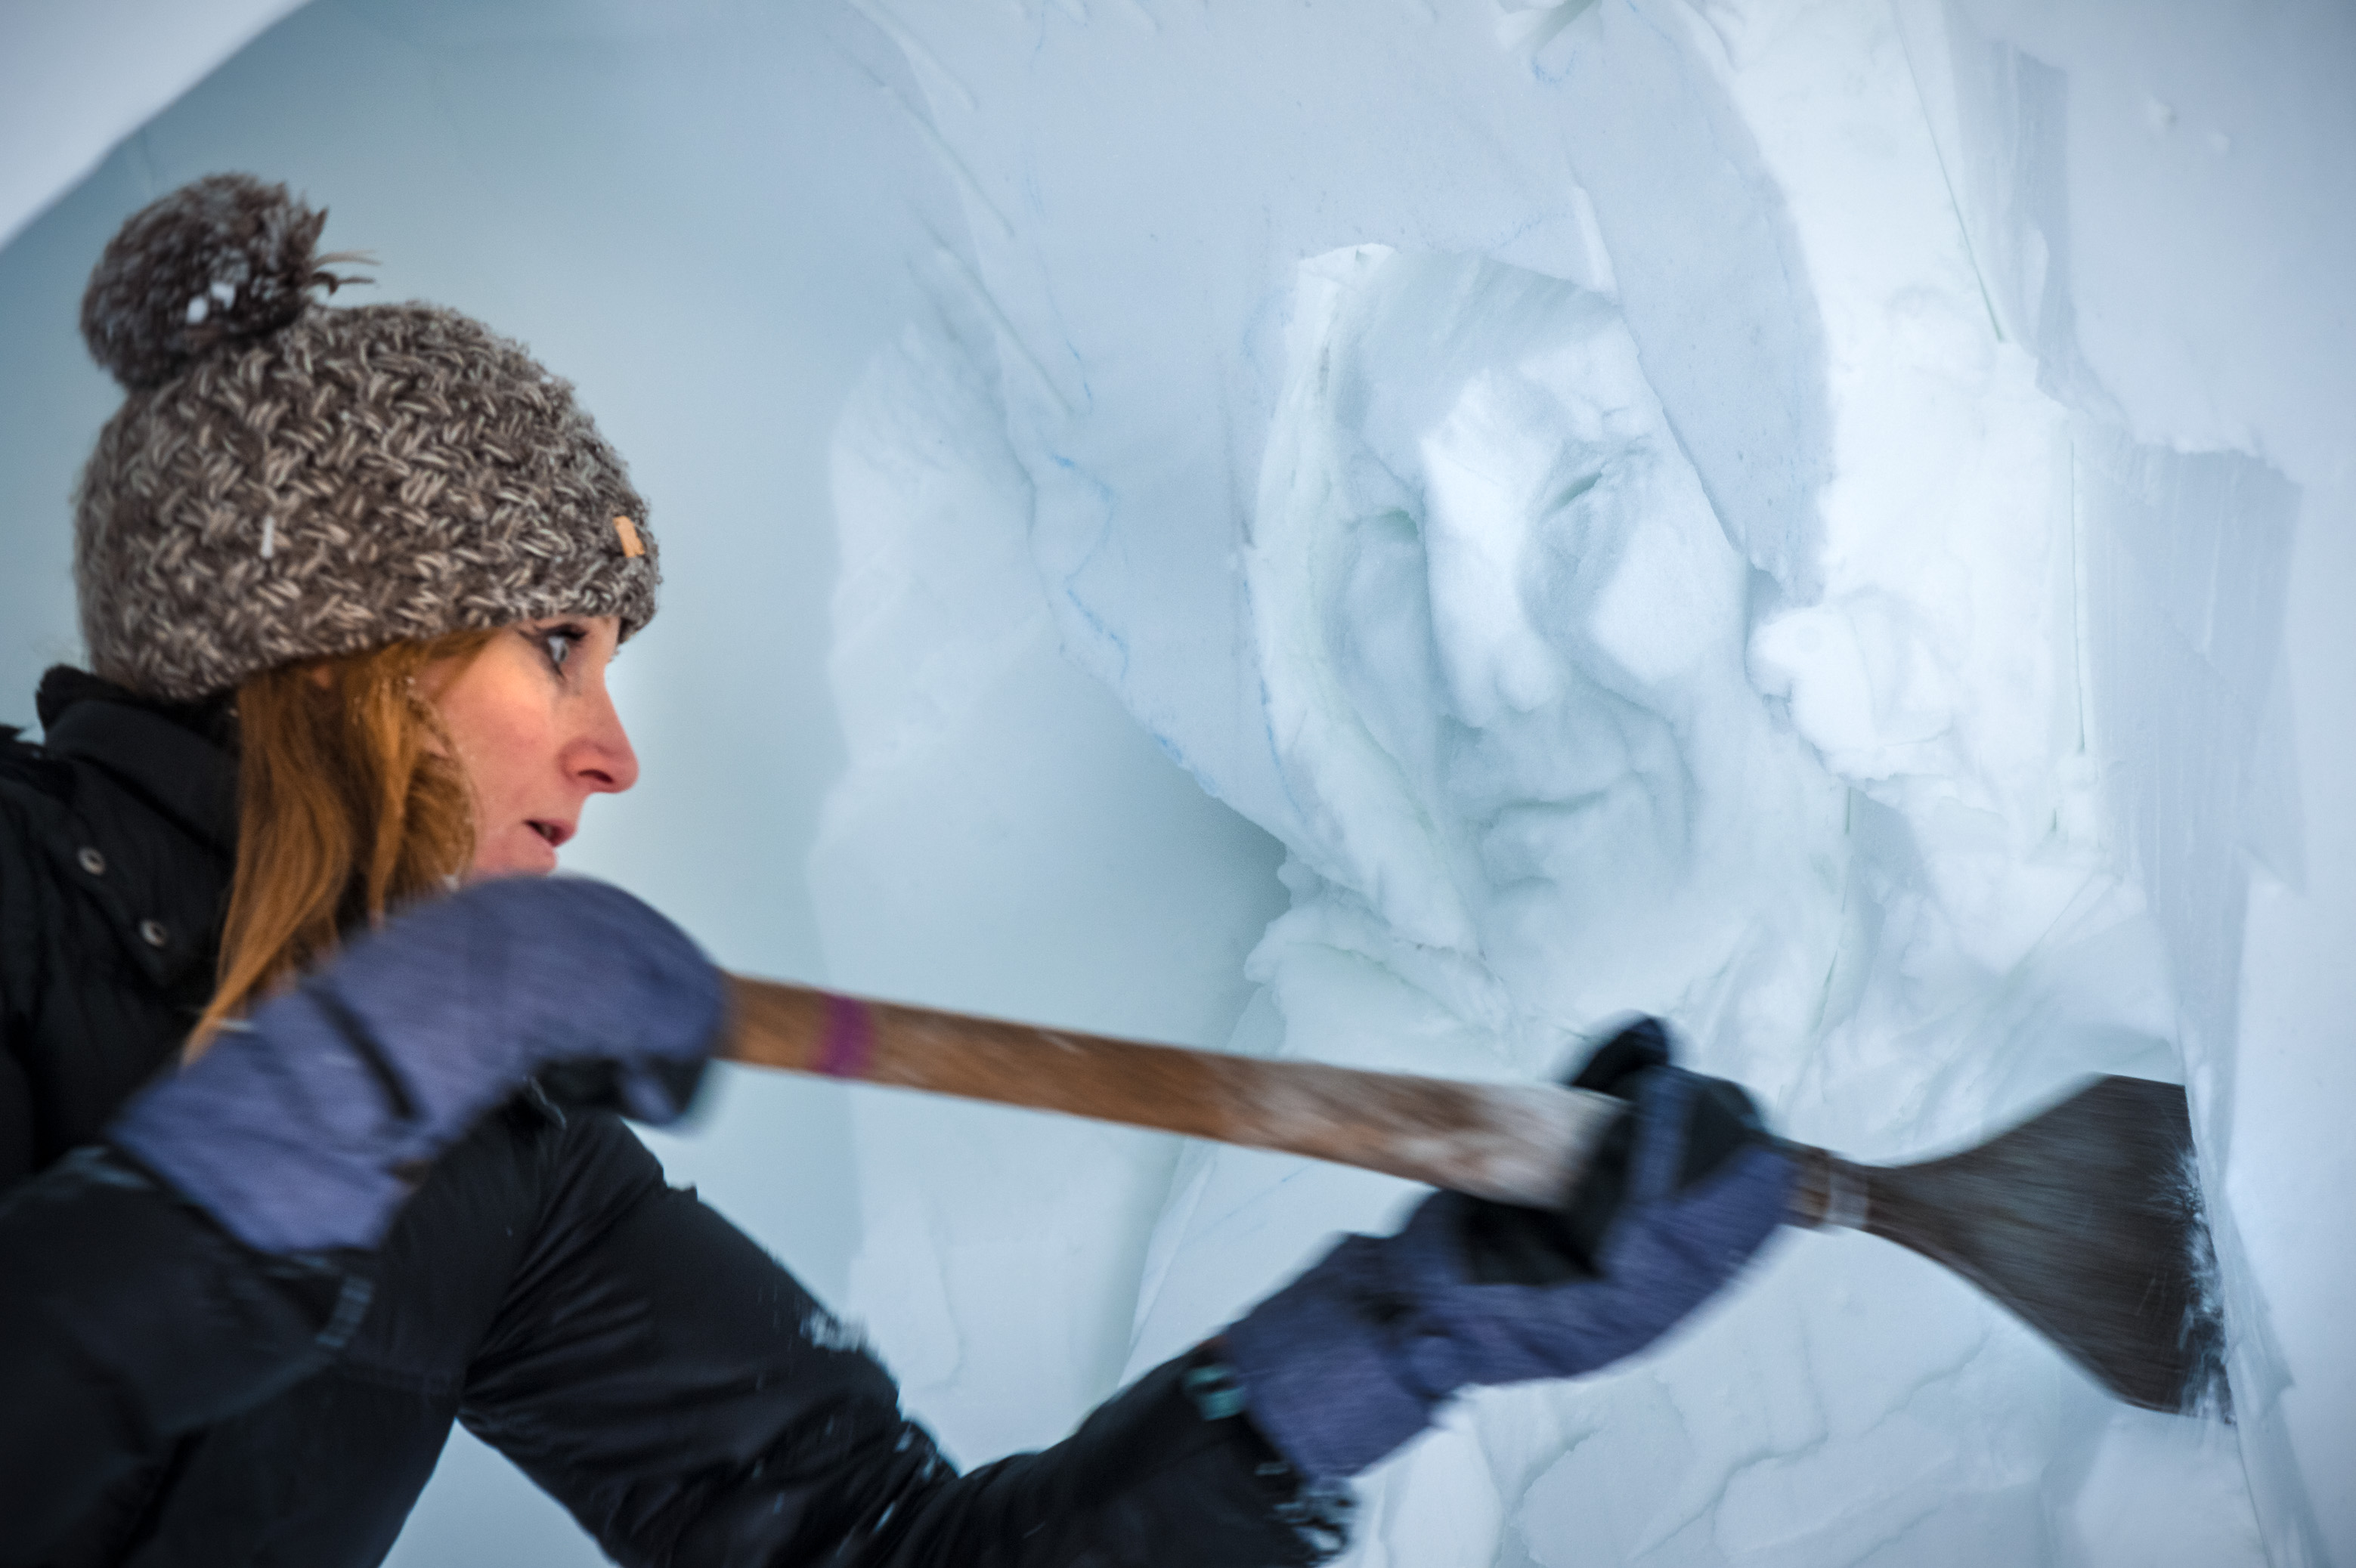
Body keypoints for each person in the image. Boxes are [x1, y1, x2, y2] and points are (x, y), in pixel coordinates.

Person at [0, 175, 1794, 1566]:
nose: (613, 750)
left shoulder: (502, 1173)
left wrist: (1393, 1342)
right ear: (336, 647)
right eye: (556, 643)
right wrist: (344, 1092)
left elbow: (883, 1551)